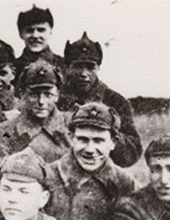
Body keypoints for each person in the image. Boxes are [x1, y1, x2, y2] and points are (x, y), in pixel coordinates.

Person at [58, 32, 142, 167]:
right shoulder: (56, 99)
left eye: (90, 67)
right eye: (78, 66)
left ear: (98, 68)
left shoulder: (116, 102)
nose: (84, 74)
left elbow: (132, 154)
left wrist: (108, 132)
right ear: (68, 67)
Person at [0, 59, 71, 163]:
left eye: (48, 95)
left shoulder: (70, 126)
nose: (41, 101)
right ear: (23, 95)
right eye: (34, 95)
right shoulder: (5, 132)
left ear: (57, 95)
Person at [14, 4, 63, 86]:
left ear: (50, 31)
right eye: (29, 31)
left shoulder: (63, 64)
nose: (35, 35)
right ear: (20, 34)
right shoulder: (14, 67)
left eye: (41, 30)